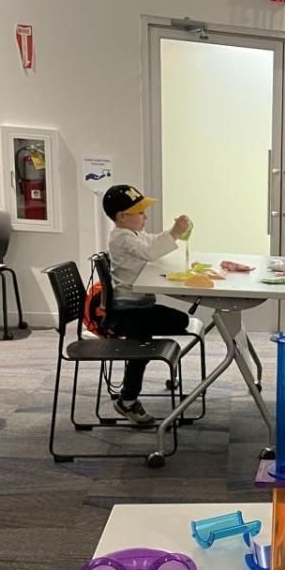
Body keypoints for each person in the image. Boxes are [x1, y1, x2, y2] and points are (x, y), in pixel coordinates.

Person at [102, 183, 192, 427]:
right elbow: (150, 252)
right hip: (129, 312)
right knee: (143, 349)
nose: (145, 216)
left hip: (138, 306)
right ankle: (128, 400)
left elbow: (151, 243)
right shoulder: (121, 238)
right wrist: (174, 232)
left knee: (180, 321)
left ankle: (129, 397)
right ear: (122, 217)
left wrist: (172, 233)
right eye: (140, 212)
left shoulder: (132, 234)